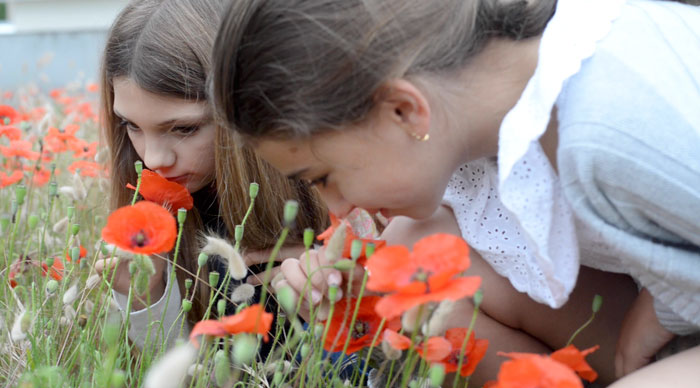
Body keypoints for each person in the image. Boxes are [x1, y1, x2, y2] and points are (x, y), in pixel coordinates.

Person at [210, 0, 700, 386]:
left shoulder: (609, 128)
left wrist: (668, 307)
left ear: (404, 110)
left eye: (323, 177)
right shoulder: (499, 103)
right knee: (416, 252)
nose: (337, 208)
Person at [97, 0, 328, 350]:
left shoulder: (342, 194)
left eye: (185, 128)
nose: (154, 159)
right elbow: (190, 371)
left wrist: (342, 298)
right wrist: (148, 301)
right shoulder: (160, 222)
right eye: (131, 125)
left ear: (248, 107)